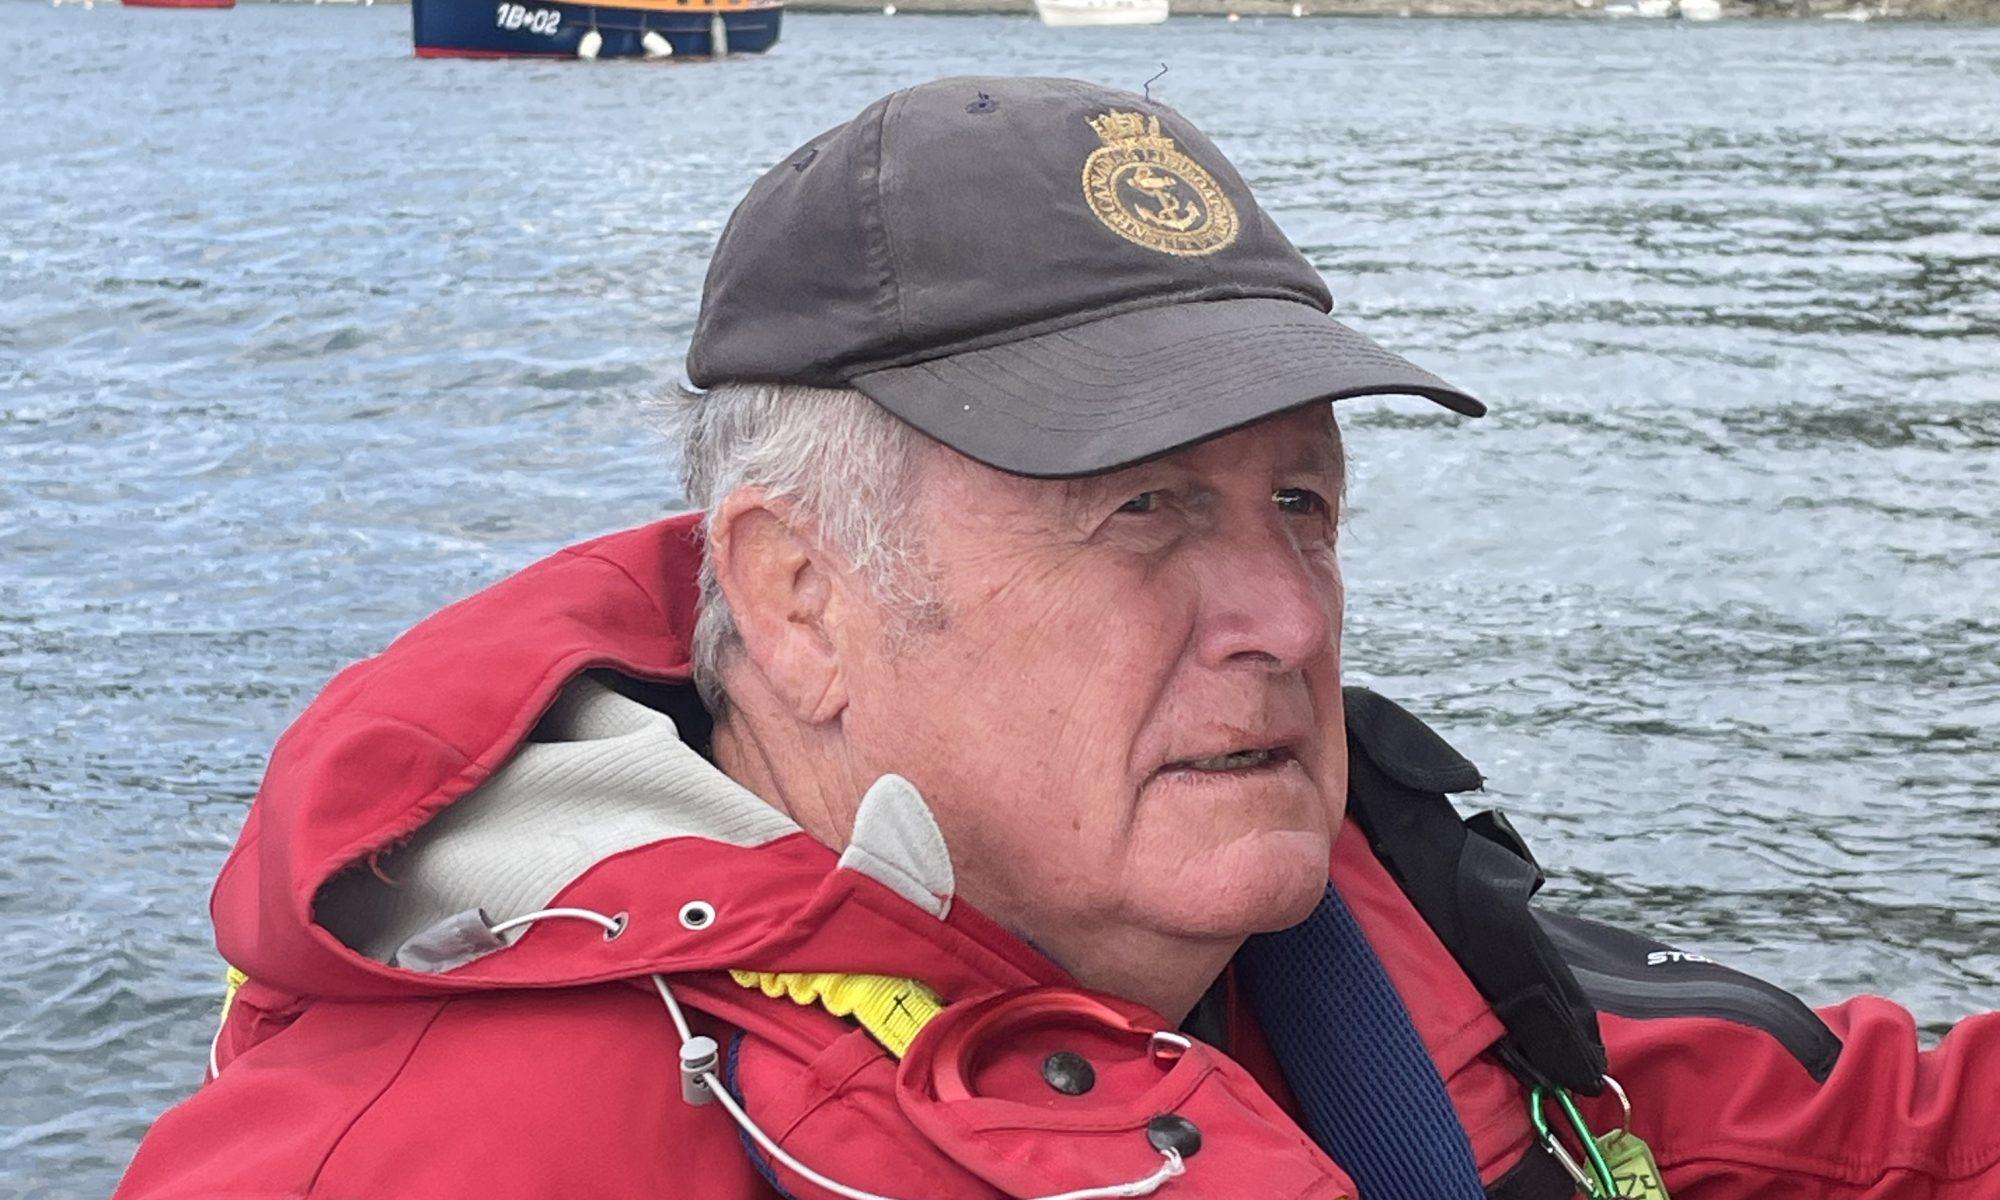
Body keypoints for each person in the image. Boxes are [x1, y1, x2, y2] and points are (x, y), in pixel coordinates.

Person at [114, 76, 1995, 1200]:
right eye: (1144, 509)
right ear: (800, 595)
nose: (1288, 618)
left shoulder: (1393, 957)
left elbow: (1870, 1138)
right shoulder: (427, 1156)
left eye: (1302, 502)